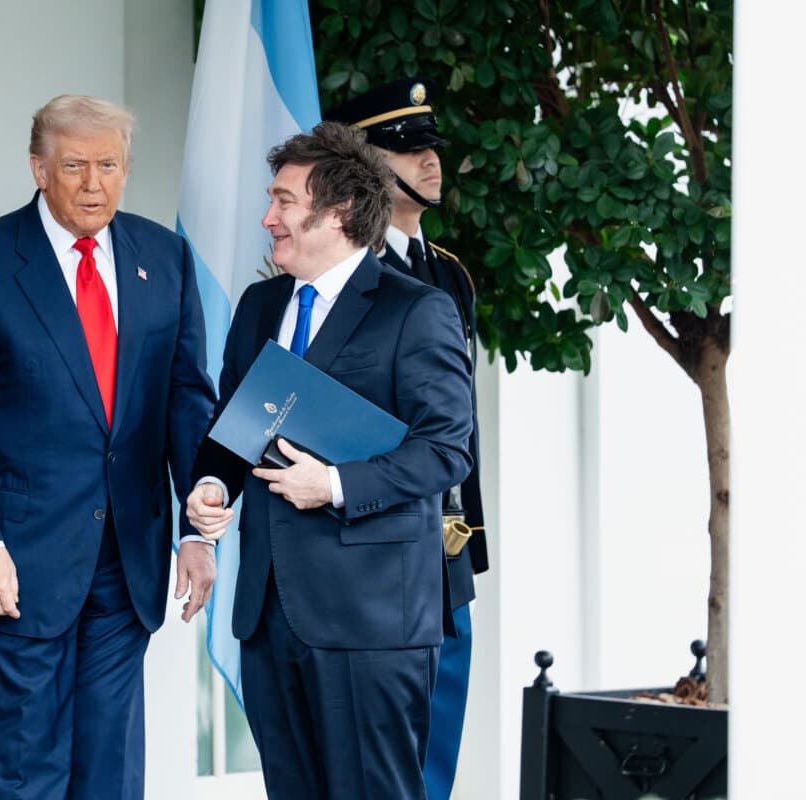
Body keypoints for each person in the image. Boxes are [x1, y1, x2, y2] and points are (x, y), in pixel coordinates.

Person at [0, 95, 218, 800]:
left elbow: (186, 398)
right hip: (12, 566)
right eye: (75, 165)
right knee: (23, 779)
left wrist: (201, 521)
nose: (93, 184)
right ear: (38, 169)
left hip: (127, 564)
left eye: (109, 165)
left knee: (110, 780)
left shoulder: (164, 258)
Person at [183, 121, 473, 799]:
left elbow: (446, 448)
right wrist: (208, 487)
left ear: (338, 211)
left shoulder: (416, 310)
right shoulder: (260, 306)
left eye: (283, 202)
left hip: (370, 620)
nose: (267, 218)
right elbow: (235, 428)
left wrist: (336, 484)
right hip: (267, 614)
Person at [326, 78, 489, 799]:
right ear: (366, 166)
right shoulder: (341, 274)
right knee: (378, 765)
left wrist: (470, 535)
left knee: (437, 752)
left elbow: (459, 423)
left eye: (431, 145)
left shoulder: (447, 272)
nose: (429, 160)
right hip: (378, 548)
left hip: (444, 546)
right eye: (406, 146)